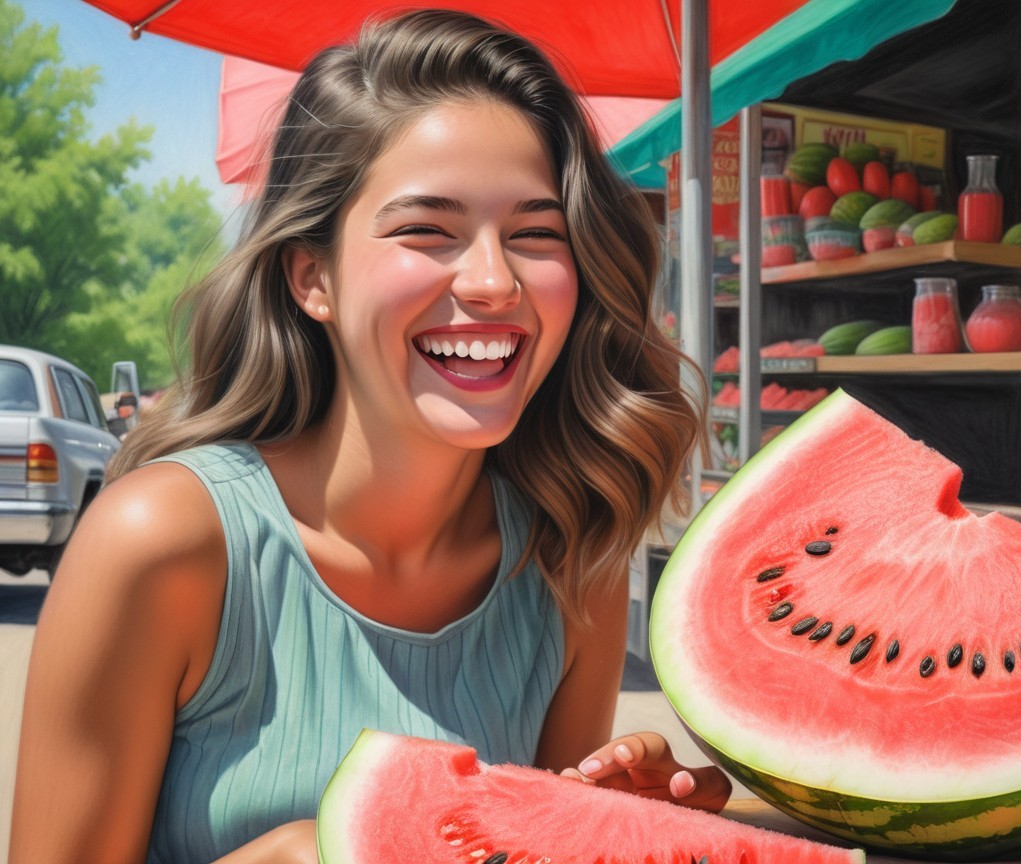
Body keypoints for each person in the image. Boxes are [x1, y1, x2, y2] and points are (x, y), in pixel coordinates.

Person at [9, 9, 729, 864]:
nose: (495, 281)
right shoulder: (160, 544)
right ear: (313, 277)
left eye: (537, 234)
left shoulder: (572, 562)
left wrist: (621, 821)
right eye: (427, 229)